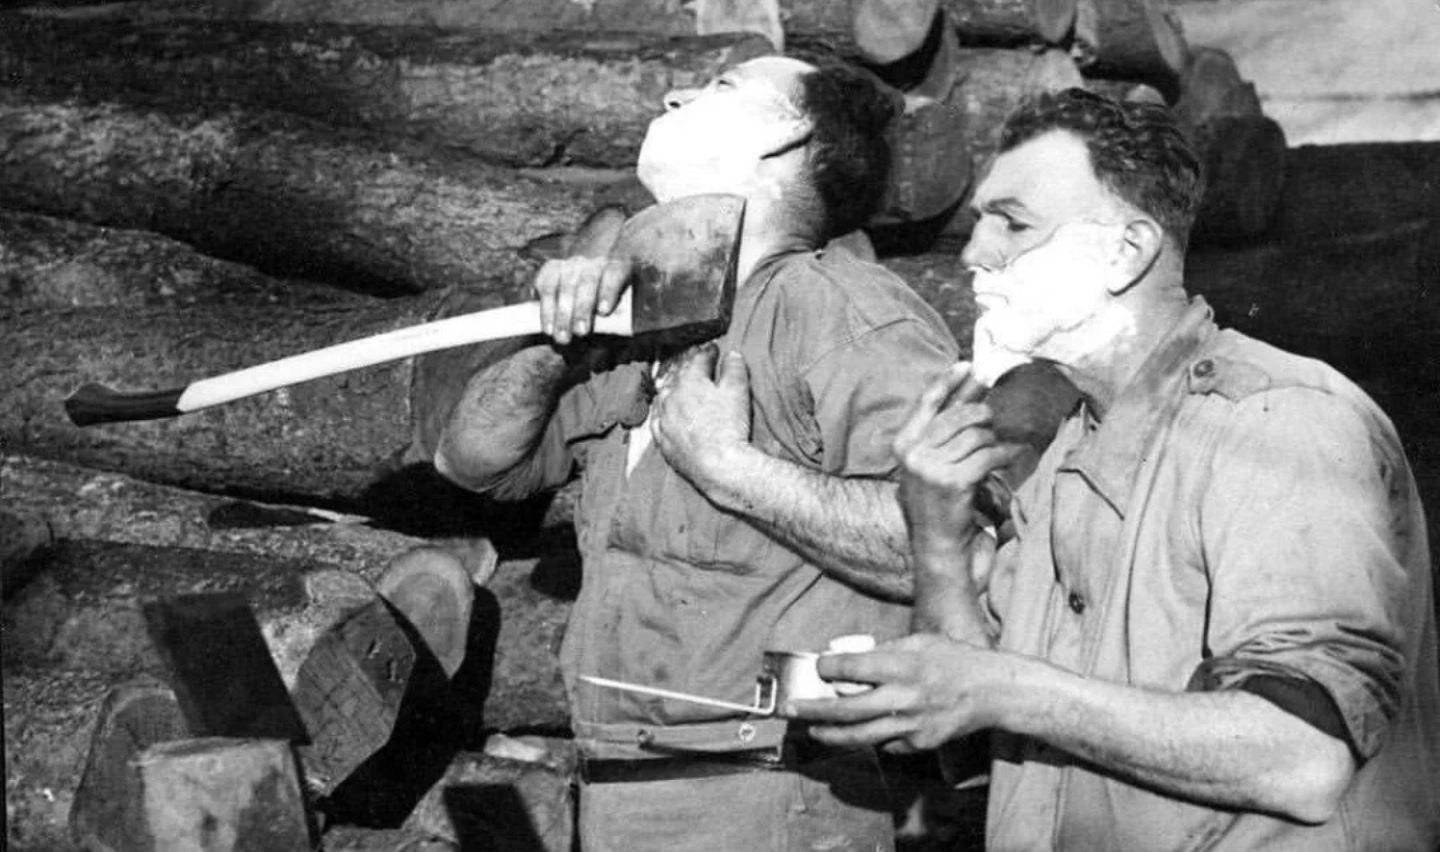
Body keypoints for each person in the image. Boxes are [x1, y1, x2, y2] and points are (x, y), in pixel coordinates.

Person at [787, 88, 1440, 851]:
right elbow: (980, 743)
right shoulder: (1068, 450)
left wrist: (1000, 689)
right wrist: (935, 535)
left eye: (1014, 223)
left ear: (1127, 250)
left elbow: (1302, 758)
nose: (974, 253)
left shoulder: (1279, 420)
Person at [432, 55, 960, 851]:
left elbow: (946, 549)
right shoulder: (638, 322)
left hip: (770, 799)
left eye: (722, 87)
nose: (675, 93)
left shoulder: (844, 313)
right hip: (616, 791)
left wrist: (732, 470)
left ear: (791, 141)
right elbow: (472, 461)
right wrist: (558, 343)